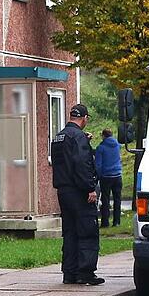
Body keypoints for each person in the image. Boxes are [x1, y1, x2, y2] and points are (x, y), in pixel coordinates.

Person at [51, 103, 103, 285]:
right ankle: (85, 273)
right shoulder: (78, 137)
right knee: (87, 231)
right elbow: (81, 164)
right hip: (79, 191)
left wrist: (84, 141)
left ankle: (70, 273)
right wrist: (90, 188)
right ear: (85, 118)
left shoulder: (59, 137)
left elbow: (66, 159)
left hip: (63, 191)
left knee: (70, 233)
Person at [94, 128, 123, 228]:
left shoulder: (101, 148)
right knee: (117, 199)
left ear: (103, 136)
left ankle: (105, 222)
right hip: (117, 175)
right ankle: (117, 222)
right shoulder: (117, 145)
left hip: (106, 176)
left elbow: (98, 164)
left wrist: (98, 175)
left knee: (105, 200)